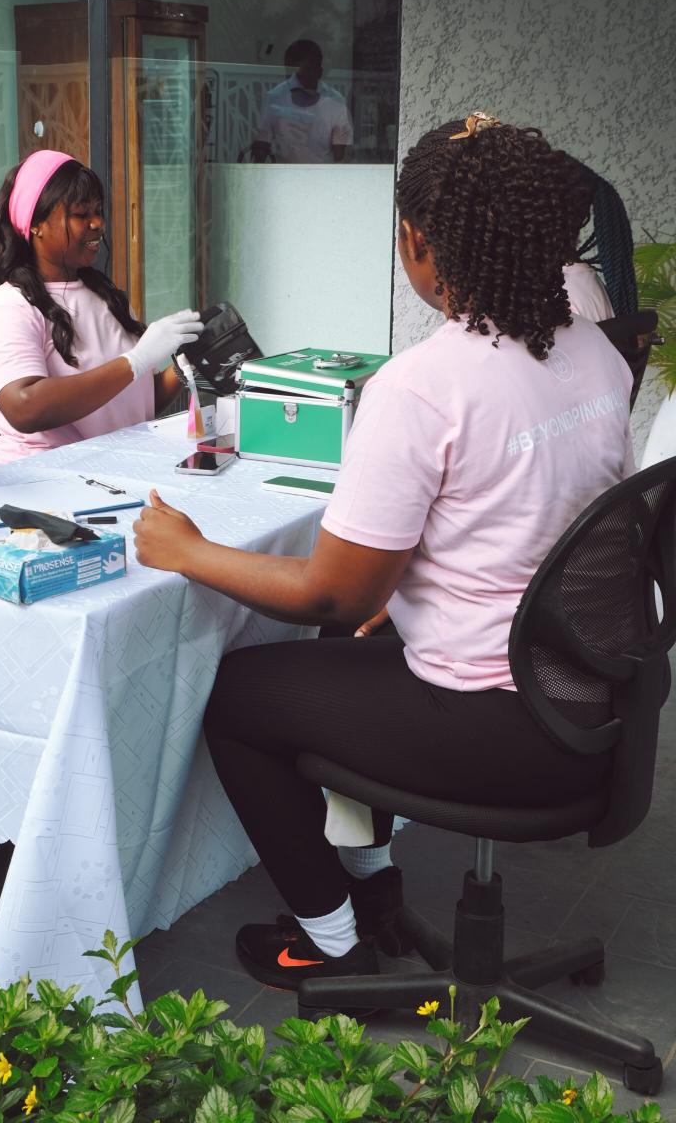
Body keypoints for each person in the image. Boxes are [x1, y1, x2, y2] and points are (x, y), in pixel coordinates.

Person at [133, 113, 634, 990]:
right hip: (588, 700)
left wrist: (187, 550)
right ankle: (374, 894)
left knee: (242, 696)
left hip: (497, 721)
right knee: (349, 644)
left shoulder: (423, 385)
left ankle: (330, 945)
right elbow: (524, 516)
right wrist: (390, 597)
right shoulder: (598, 352)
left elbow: (333, 590)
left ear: (418, 243)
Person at [0, 150, 202, 466]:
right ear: (36, 224)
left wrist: (185, 364)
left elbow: (132, 401)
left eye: (98, 211)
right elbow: (24, 407)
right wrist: (135, 360)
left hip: (109, 471)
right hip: (38, 477)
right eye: (81, 214)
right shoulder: (11, 306)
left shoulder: (106, 296)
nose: (98, 224)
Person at [250, 38, 353, 164]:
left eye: (315, 64)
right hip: (284, 174)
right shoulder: (275, 98)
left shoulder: (336, 102)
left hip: (324, 175)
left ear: (320, 67)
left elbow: (341, 156)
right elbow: (261, 146)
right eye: (290, 67)